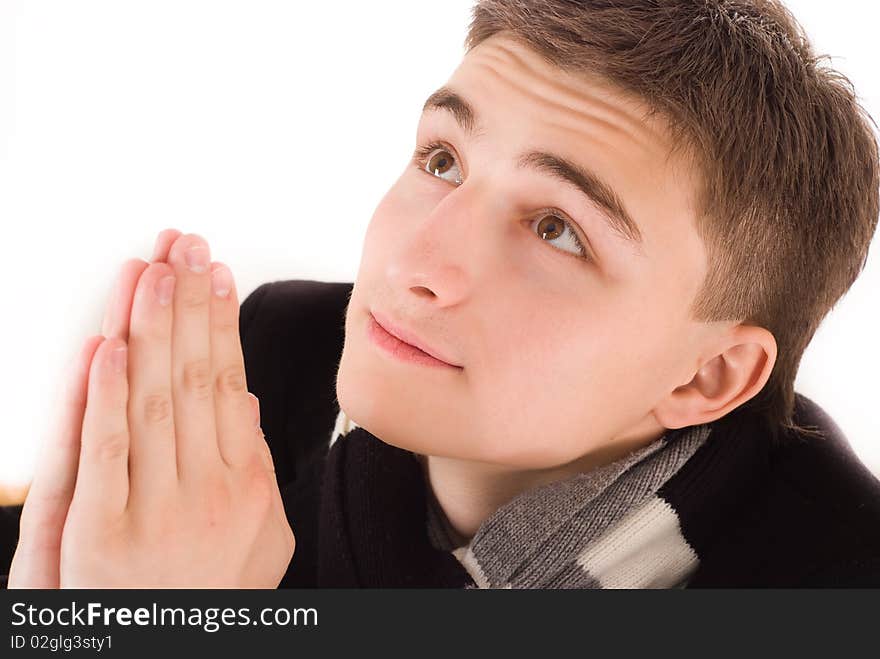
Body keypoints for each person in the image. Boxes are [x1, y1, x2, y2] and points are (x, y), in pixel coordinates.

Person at [2, 0, 880, 588]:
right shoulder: (264, 368)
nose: (417, 258)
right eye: (443, 160)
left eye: (558, 229)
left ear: (710, 373)